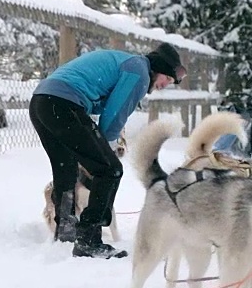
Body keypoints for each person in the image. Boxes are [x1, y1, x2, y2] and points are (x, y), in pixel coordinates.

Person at [29, 42, 187, 259]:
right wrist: (107, 148)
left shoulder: (128, 63)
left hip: (42, 102)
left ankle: (65, 230)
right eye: (167, 79)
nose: (164, 85)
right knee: (110, 170)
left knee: (65, 168)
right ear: (159, 68)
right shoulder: (139, 72)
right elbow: (114, 116)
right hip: (63, 103)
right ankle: (89, 239)